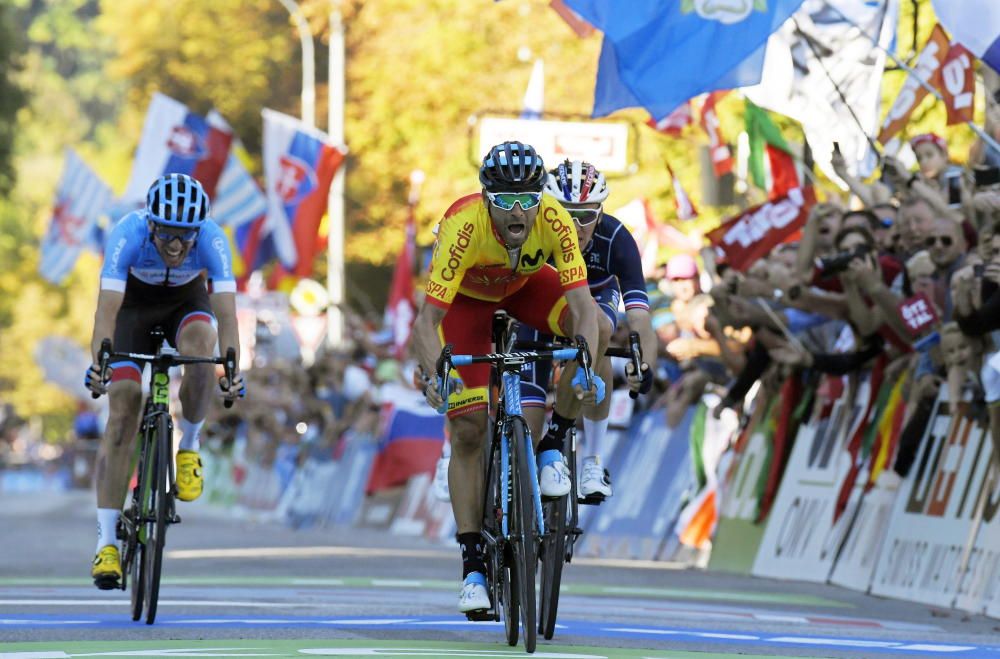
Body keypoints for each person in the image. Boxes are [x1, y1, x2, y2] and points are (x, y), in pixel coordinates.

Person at [410, 142, 603, 614]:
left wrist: (587, 366)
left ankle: (553, 440)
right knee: (470, 430)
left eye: (527, 200)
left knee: (592, 329)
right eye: (505, 203)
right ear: (486, 200)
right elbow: (425, 322)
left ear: (541, 196)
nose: (518, 212)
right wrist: (439, 372)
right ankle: (473, 563)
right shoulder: (463, 227)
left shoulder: (554, 217)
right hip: (467, 305)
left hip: (524, 290)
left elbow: (582, 308)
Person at [84, 173, 244, 590]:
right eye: (167, 236)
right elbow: (106, 313)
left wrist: (232, 369)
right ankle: (107, 544)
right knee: (122, 410)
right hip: (132, 311)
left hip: (185, 305)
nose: (176, 247)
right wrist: (101, 363)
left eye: (185, 237)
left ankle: (188, 447)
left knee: (201, 346)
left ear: (198, 231)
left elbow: (226, 315)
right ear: (151, 225)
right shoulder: (128, 233)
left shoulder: (213, 238)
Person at [517, 160, 655, 500]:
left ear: (601, 211)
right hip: (540, 305)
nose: (575, 226)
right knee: (527, 432)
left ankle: (593, 458)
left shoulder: (616, 239)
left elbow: (640, 318)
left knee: (599, 331)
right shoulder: (532, 232)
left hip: (595, 297)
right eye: (565, 213)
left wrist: (645, 366)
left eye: (587, 214)